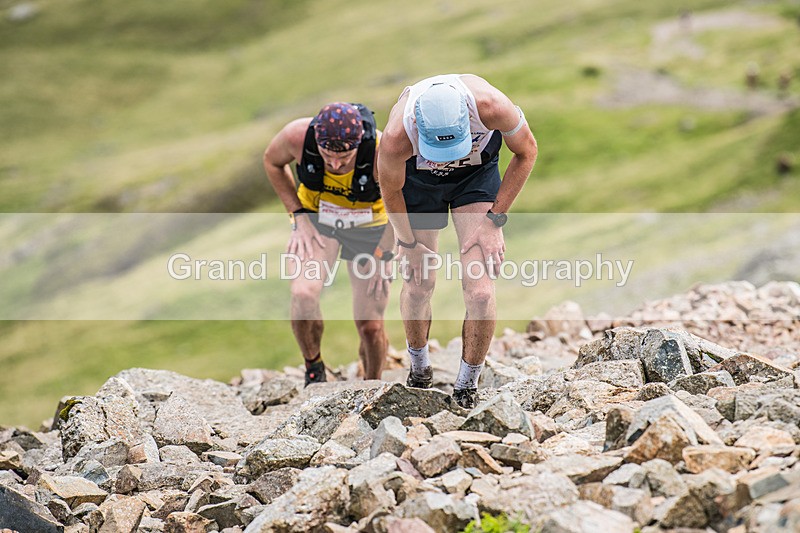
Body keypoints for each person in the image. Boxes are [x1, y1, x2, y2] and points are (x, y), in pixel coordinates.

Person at [377, 74, 538, 408]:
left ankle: (466, 387)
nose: (445, 160)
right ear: (418, 131)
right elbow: (390, 190)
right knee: (419, 281)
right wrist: (407, 246)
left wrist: (495, 220)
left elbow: (527, 151)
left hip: (475, 178)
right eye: (438, 151)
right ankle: (419, 371)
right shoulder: (396, 136)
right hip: (418, 184)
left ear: (468, 118)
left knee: (479, 291)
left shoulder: (492, 106)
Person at [263, 102, 394, 386]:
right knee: (303, 294)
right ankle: (314, 367)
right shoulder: (297, 136)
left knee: (371, 325)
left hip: (371, 228)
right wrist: (298, 216)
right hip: (318, 221)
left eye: (345, 158)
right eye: (327, 156)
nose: (335, 165)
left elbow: (400, 205)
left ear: (359, 144)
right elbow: (272, 162)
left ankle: (371, 386)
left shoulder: (382, 151)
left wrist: (385, 257)